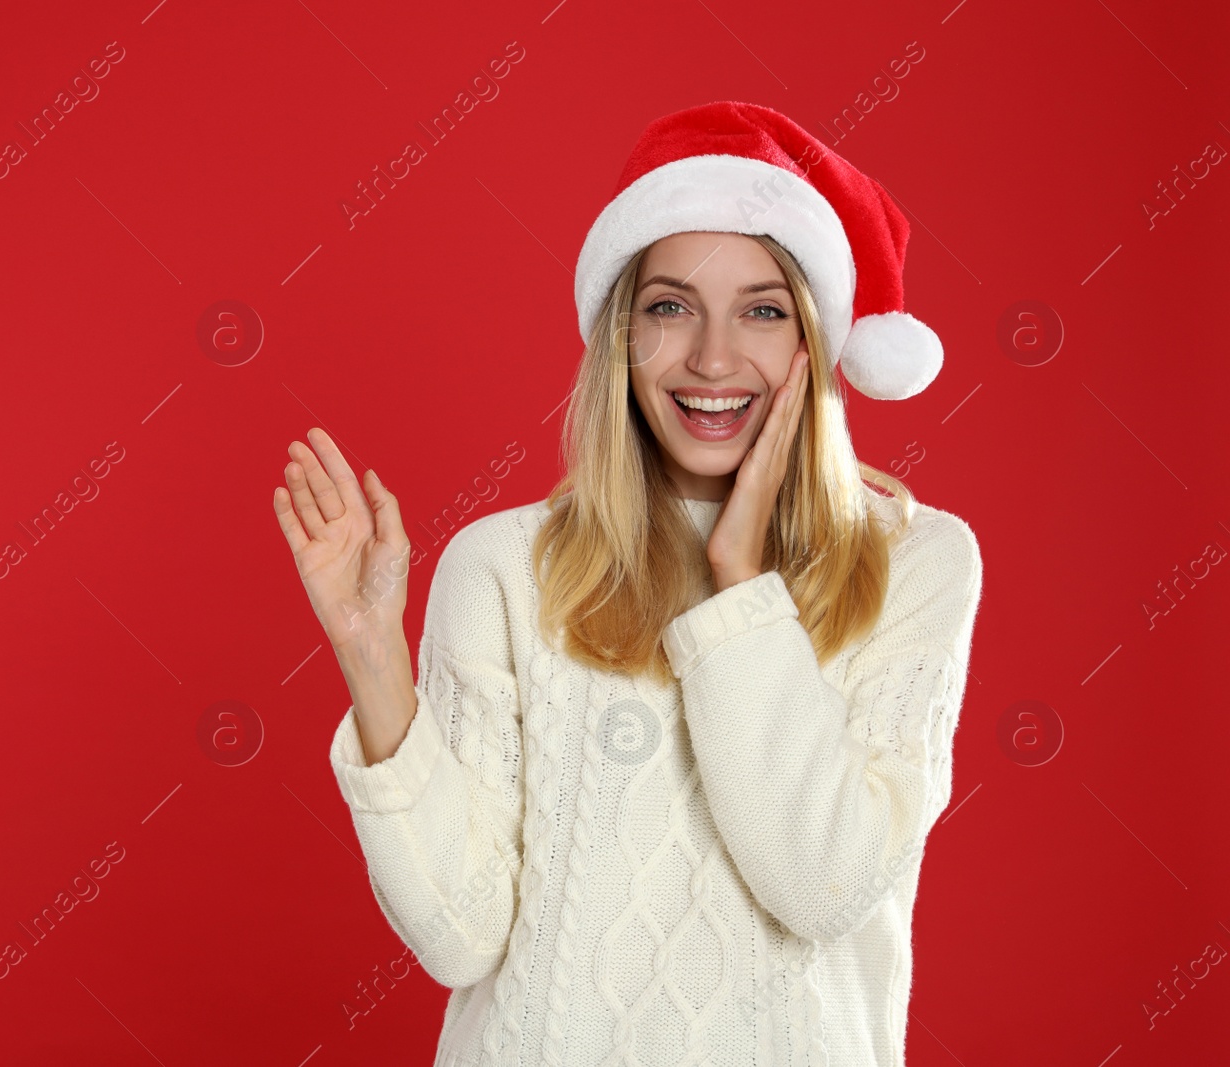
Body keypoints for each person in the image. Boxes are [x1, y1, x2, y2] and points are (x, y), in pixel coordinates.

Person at [273, 101, 984, 1067]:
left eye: (764, 309)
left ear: (815, 345)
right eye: (670, 306)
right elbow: (463, 937)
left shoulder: (916, 564)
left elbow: (824, 884)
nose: (713, 358)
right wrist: (370, 648)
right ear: (621, 336)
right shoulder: (503, 569)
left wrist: (737, 582)